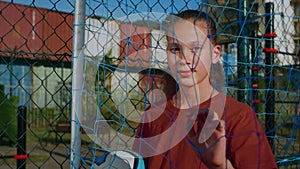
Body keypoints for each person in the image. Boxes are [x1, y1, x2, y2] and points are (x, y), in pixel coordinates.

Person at [133, 9, 278, 169]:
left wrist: (221, 165)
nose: (184, 59)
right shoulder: (152, 114)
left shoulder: (239, 117)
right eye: (175, 49)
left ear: (215, 54)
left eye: (196, 48)